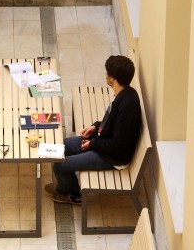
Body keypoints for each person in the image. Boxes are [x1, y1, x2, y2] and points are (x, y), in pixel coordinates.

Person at [46, 55, 142, 205]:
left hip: (111, 157)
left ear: (112, 78)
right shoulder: (124, 93)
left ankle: (71, 194)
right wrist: (95, 127)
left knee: (60, 165)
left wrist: (92, 144)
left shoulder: (127, 105)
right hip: (102, 142)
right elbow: (111, 122)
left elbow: (117, 145)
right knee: (58, 148)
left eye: (107, 73)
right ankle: (70, 186)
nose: (106, 75)